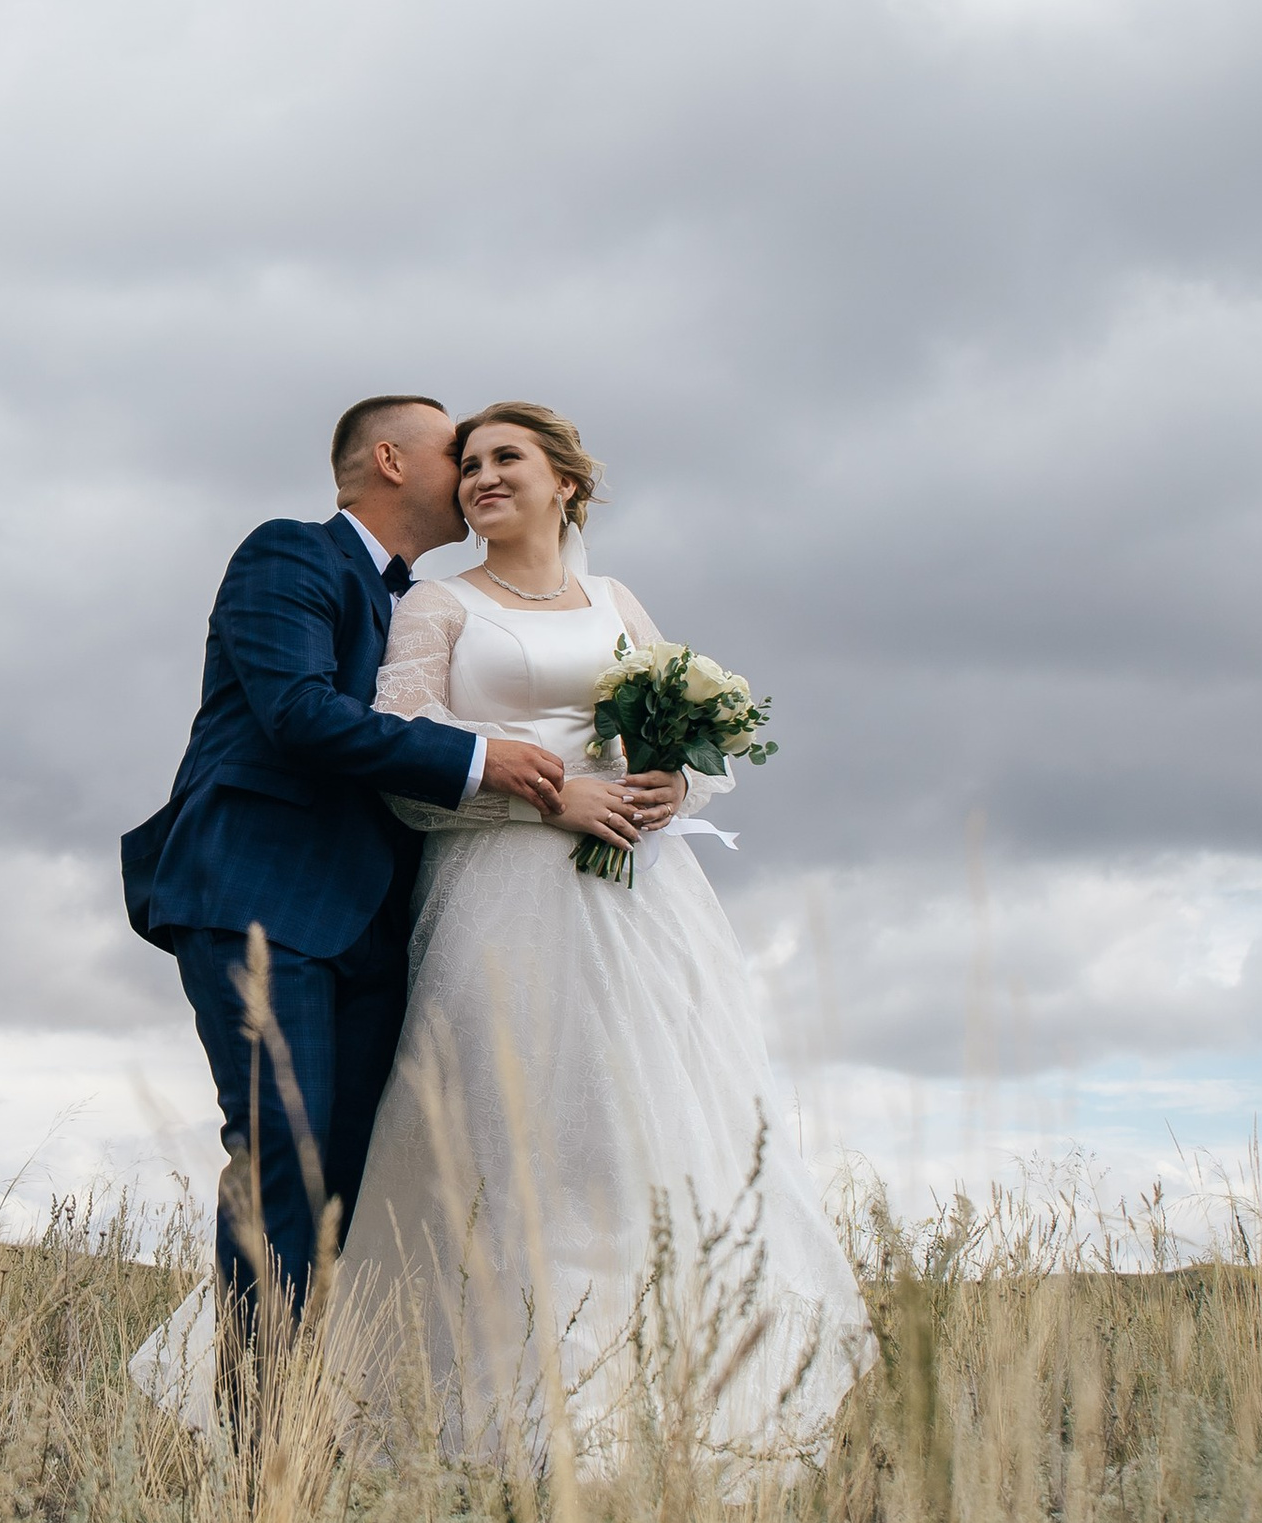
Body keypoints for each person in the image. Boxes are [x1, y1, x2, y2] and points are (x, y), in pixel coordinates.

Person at [325, 398, 872, 1464]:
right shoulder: (437, 604)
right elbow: (402, 748)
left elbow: (690, 740)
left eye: (507, 459)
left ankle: (634, 1419)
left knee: (634, 1137)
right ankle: (474, 1417)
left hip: (635, 901)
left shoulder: (616, 599)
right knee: (507, 1132)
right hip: (499, 890)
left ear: (564, 482)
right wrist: (550, 793)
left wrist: (671, 783)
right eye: (469, 464)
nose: (483, 477)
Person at [121, 397, 573, 1422]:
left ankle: (338, 1412)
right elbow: (296, 712)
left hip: (378, 923)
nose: (469, 470)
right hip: (258, 895)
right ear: (388, 458)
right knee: (283, 1154)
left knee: (354, 1185)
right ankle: (262, 1439)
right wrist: (481, 758)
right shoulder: (291, 556)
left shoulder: (432, 603)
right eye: (454, 451)